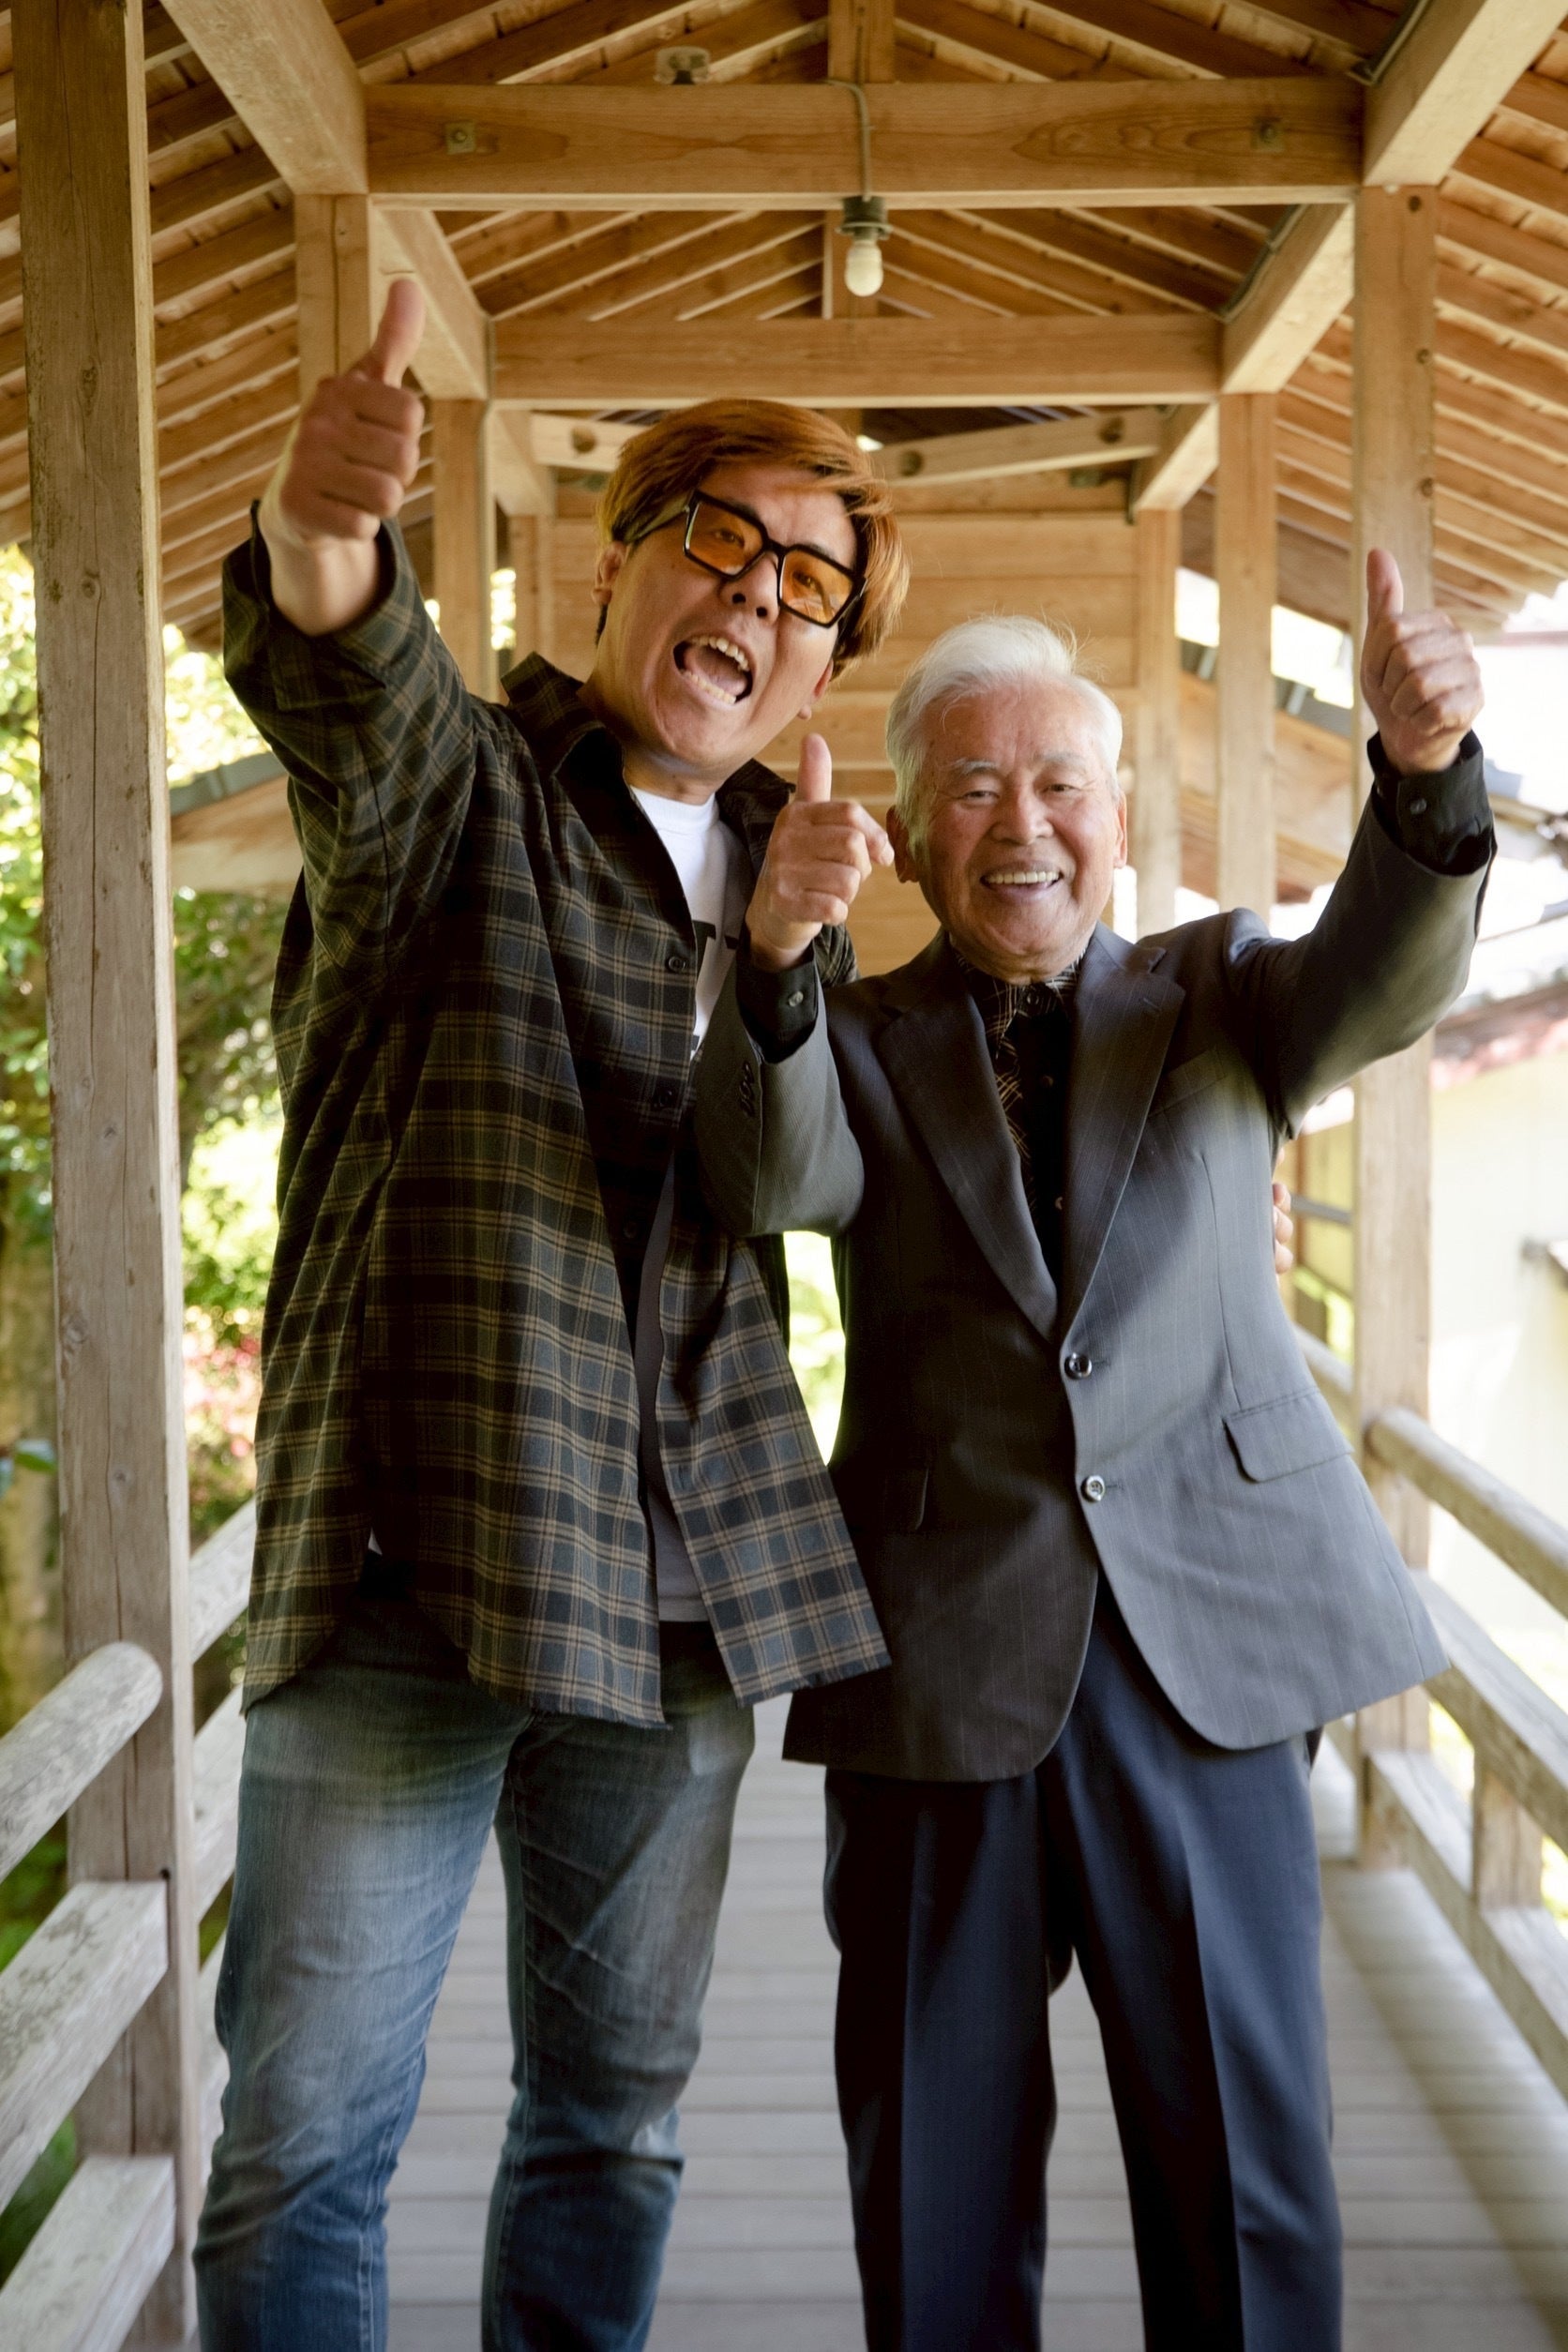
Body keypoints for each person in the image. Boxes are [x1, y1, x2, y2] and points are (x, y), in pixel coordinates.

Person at [192, 279, 913, 2351]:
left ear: (816, 666)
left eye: (808, 588)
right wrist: (323, 530)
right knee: (306, 2141)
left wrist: (781, 963)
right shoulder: (467, 793)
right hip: (414, 1563)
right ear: (618, 560)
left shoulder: (801, 883)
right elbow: (359, 695)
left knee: (616, 2129)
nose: (756, 595)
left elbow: (799, 1182)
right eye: (722, 539)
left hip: (682, 1603)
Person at [694, 556, 1490, 2351]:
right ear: (913, 836)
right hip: (935, 1664)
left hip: (1211, 1654)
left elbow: (1386, 971)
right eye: (975, 788)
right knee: (936, 2186)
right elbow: (764, 1175)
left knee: (1244, 2183)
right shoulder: (849, 1036)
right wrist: (775, 964)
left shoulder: (1231, 996)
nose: (1024, 824)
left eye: (1061, 783)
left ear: (1121, 821)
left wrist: (1426, 772)